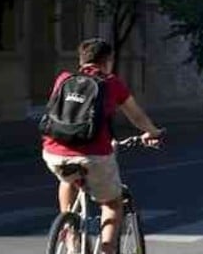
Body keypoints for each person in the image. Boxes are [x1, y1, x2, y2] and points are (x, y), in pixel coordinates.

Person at [42, 39, 164, 254]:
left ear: (81, 60)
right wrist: (152, 132)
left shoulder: (64, 79)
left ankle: (70, 233)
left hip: (54, 151)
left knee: (67, 179)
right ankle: (107, 248)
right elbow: (135, 115)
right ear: (108, 61)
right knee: (112, 203)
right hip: (94, 155)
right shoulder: (111, 83)